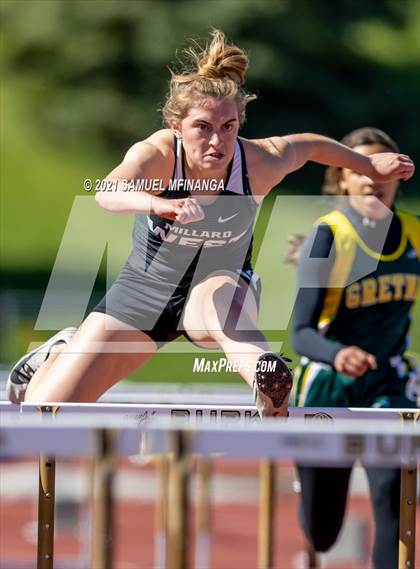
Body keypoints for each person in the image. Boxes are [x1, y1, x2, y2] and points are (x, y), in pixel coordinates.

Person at [7, 32, 414, 421]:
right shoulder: (159, 154)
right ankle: (60, 351)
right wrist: (155, 203)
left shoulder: (257, 161)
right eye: (203, 127)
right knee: (45, 411)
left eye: (228, 127)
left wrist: (368, 165)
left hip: (222, 280)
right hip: (146, 291)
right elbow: (108, 191)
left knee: (218, 305)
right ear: (177, 125)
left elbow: (309, 146)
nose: (217, 142)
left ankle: (267, 377)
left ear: (239, 124)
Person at [286, 127, 419, 568]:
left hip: (389, 383)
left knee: (391, 497)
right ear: (341, 179)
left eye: (381, 168)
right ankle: (312, 484)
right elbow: (300, 332)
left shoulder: (414, 235)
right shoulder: (329, 235)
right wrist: (338, 353)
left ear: (399, 176)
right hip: (328, 385)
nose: (371, 178)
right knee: (323, 533)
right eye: (359, 169)